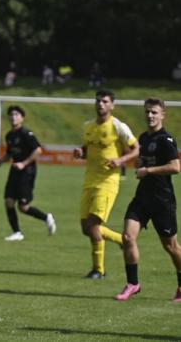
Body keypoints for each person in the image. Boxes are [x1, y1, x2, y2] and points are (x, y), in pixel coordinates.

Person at [115, 98, 181, 302]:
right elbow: (141, 161)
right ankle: (133, 283)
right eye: (147, 112)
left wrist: (148, 170)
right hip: (142, 197)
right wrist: (140, 163)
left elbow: (175, 167)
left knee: (171, 247)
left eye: (154, 112)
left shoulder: (166, 140)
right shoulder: (143, 138)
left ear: (162, 115)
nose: (150, 116)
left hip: (162, 201)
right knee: (127, 237)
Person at [73, 89, 139, 279]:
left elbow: (136, 149)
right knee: (86, 228)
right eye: (98, 101)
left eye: (105, 101)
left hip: (107, 183)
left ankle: (99, 270)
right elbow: (87, 150)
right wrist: (80, 152)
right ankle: (120, 239)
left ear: (112, 105)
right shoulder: (89, 126)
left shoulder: (118, 127)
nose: (100, 104)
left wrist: (120, 160)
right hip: (89, 181)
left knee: (93, 225)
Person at [0, 105, 56, 241]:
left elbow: (38, 150)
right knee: (8, 201)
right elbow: (10, 153)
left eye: (16, 114)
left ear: (22, 118)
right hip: (14, 171)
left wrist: (24, 163)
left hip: (27, 172)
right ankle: (17, 232)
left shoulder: (26, 134)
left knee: (23, 207)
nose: (13, 117)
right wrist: (1, 160)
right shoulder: (9, 135)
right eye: (11, 114)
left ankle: (46, 217)